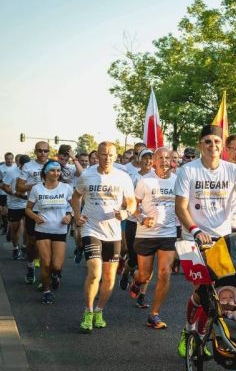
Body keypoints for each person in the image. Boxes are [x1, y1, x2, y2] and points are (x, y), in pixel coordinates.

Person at [174, 124, 236, 357]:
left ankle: (205, 334)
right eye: (208, 141)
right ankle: (189, 331)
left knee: (218, 289)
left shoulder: (233, 171)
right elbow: (180, 207)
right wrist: (196, 229)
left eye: (217, 142)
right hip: (193, 237)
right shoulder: (188, 171)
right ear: (201, 145)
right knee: (202, 290)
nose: (213, 146)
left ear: (223, 146)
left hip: (222, 238)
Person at [72, 141, 136, 333]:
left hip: (113, 232)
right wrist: (77, 215)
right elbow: (76, 197)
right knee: (94, 273)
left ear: (116, 157)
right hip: (91, 229)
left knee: (108, 278)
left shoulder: (123, 177)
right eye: (103, 154)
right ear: (97, 156)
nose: (107, 158)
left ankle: (99, 310)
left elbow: (131, 203)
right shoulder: (87, 174)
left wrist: (125, 213)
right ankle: (88, 311)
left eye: (110, 155)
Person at [128, 147, 178, 328]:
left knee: (165, 273)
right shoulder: (144, 181)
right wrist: (142, 218)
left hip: (168, 233)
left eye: (168, 158)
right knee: (145, 276)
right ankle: (135, 280)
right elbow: (133, 205)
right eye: (160, 158)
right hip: (146, 234)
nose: (164, 161)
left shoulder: (177, 180)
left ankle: (154, 314)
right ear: (154, 161)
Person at [25, 160, 74, 304]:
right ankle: (46, 291)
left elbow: (75, 207)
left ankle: (55, 276)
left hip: (60, 230)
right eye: (52, 170)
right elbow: (27, 209)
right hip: (42, 230)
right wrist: (35, 216)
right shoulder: (37, 189)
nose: (56, 173)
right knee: (46, 263)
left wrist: (69, 216)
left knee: (57, 266)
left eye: (58, 171)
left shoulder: (66, 188)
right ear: (45, 172)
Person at [119, 148, 154, 309]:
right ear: (139, 160)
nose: (148, 161)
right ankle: (126, 273)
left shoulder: (157, 177)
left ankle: (142, 295)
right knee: (133, 258)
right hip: (134, 221)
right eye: (145, 158)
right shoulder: (133, 177)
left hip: (153, 224)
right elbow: (127, 200)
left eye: (150, 158)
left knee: (148, 262)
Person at [17, 141, 50, 284]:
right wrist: (35, 185)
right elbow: (19, 187)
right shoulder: (28, 166)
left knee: (48, 243)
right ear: (35, 151)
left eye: (45, 151)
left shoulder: (53, 165)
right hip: (33, 209)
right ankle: (30, 267)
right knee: (32, 241)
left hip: (50, 209)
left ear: (49, 152)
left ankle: (48, 274)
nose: (42, 153)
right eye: (39, 150)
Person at [2, 154, 31, 260]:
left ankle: (24, 247)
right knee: (15, 229)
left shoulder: (32, 172)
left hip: (29, 205)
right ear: (20, 164)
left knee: (28, 229)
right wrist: (16, 193)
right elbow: (4, 186)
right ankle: (15, 248)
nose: (28, 167)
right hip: (15, 205)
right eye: (25, 165)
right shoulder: (12, 172)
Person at [0, 152, 17, 236]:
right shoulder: (0, 167)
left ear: (13, 159)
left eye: (10, 159)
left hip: (12, 192)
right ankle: (4, 225)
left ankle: (8, 227)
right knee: (2, 210)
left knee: (9, 210)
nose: (9, 160)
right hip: (2, 191)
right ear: (5, 159)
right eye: (7, 159)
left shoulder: (16, 167)